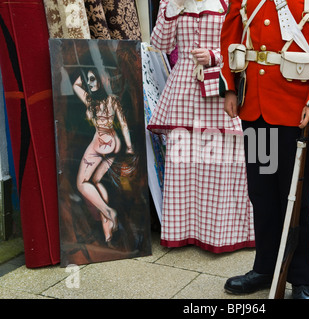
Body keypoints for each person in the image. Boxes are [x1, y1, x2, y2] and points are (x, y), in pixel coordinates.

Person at [220, 0, 309, 299]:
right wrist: (230, 86)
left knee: (294, 197)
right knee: (261, 193)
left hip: (297, 111)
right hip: (255, 109)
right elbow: (232, 30)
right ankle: (266, 266)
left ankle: (299, 277)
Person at [148, 0, 255, 253]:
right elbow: (160, 44)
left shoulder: (229, 2)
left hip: (220, 85)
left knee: (222, 160)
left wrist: (213, 56)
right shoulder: (171, 2)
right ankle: (184, 231)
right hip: (184, 86)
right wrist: (173, 7)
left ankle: (224, 233)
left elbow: (243, 43)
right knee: (185, 160)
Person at [73, 69, 135, 244]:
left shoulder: (91, 101)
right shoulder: (110, 100)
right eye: (88, 80)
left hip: (100, 145)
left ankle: (109, 212)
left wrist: (83, 67)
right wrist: (128, 147)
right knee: (97, 182)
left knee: (82, 183)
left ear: (101, 80)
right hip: (113, 145)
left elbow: (75, 84)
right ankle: (108, 233)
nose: (90, 83)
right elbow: (122, 126)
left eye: (93, 79)